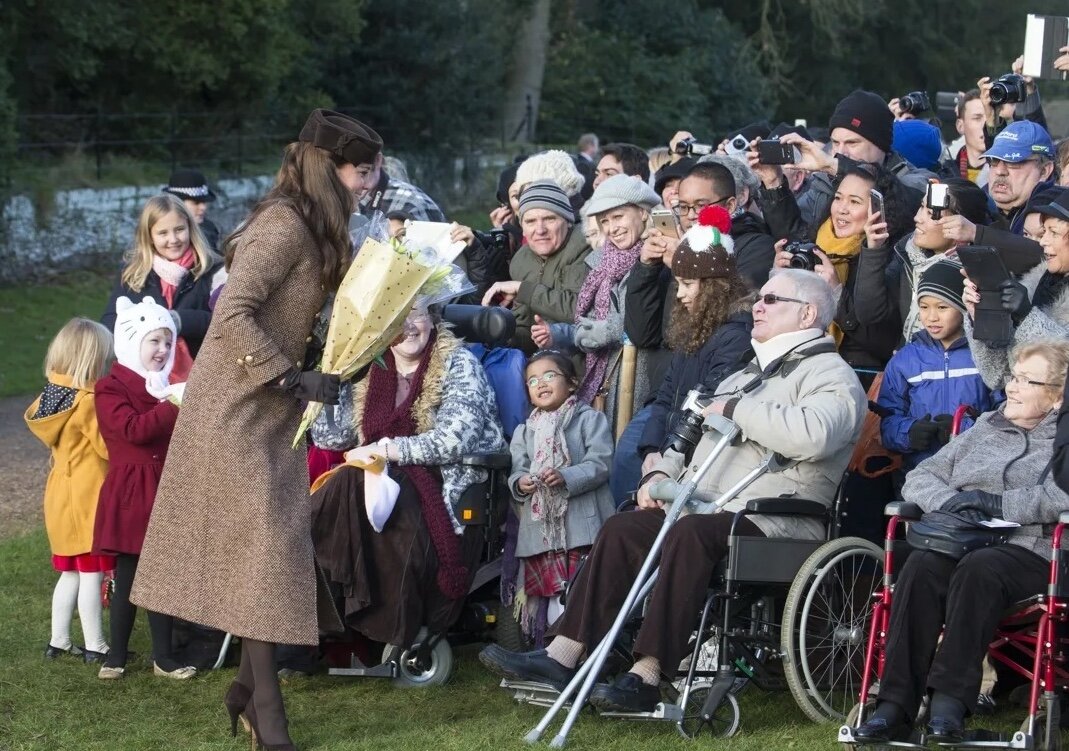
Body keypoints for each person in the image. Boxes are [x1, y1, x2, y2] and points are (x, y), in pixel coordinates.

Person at [480, 270, 867, 712]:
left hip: (776, 517)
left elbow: (813, 436)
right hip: (706, 508)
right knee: (625, 528)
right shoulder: (744, 375)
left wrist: (740, 408)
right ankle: (563, 654)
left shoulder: (833, 376)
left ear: (808, 313)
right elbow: (687, 442)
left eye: (771, 299)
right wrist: (655, 477)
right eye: (758, 297)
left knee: (690, 533)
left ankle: (647, 673)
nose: (757, 305)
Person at [130, 109, 382, 751]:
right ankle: (266, 708)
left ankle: (246, 692)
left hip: (271, 411)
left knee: (267, 550)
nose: (370, 182)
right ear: (330, 167)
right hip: (234, 410)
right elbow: (232, 314)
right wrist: (293, 379)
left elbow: (300, 315)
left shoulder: (317, 224)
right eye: (362, 169)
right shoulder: (282, 225)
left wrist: (339, 353)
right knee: (267, 548)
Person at [853, 341, 1069, 743]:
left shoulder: (1063, 442)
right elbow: (921, 476)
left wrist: (997, 503)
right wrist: (953, 503)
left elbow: (1063, 496)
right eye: (1014, 377)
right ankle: (894, 706)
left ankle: (948, 703)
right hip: (963, 539)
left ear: (1057, 398)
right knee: (920, 566)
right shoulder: (986, 425)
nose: (1012, 388)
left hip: (1031, 550)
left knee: (981, 568)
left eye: (1027, 380)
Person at [308, 304, 505, 649]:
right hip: (379, 479)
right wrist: (329, 385)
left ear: (433, 320)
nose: (409, 326)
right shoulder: (371, 365)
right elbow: (330, 439)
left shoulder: (459, 363)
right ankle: (319, 618)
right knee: (337, 493)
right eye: (396, 317)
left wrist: (384, 450)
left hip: (447, 484)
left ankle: (379, 628)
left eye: (417, 314)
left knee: (351, 487)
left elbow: (454, 439)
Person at [612, 208, 755, 506]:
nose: (679, 295)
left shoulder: (736, 337)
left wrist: (666, 462)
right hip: (669, 455)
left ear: (715, 288)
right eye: (678, 284)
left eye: (688, 284)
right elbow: (665, 398)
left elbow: (703, 409)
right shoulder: (694, 329)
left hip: (694, 464)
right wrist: (651, 449)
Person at [91, 297, 192, 680]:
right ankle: (116, 653)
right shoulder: (110, 388)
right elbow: (133, 430)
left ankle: (163, 656)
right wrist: (173, 405)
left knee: (162, 574)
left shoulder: (166, 385)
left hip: (164, 486)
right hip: (133, 491)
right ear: (133, 343)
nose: (163, 350)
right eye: (154, 341)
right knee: (128, 572)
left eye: (168, 342)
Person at [531, 174, 659, 422]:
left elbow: (648, 319)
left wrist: (609, 330)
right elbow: (583, 322)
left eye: (618, 216)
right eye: (605, 221)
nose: (612, 228)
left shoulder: (657, 254)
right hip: (605, 379)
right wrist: (583, 334)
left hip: (641, 377)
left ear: (643, 212)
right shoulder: (599, 262)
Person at [507, 350, 614, 644]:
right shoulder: (523, 431)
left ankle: (585, 651)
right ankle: (552, 650)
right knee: (551, 594)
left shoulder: (589, 420)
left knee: (581, 590)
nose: (540, 383)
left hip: (582, 528)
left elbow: (601, 463)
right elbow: (516, 471)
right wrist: (522, 482)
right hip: (541, 532)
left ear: (572, 383)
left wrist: (567, 476)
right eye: (532, 380)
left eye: (549, 375)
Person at [24, 318, 114, 663]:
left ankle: (58, 640)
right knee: (91, 572)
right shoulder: (87, 401)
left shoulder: (51, 396)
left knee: (70, 572)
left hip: (61, 493)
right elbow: (106, 447)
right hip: (88, 494)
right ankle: (97, 644)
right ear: (93, 360)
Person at [765, 163, 910, 373]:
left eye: (854, 202)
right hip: (797, 367)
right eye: (838, 198)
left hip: (855, 375)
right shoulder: (813, 244)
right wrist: (779, 276)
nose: (842, 209)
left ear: (878, 210)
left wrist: (836, 293)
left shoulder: (890, 257)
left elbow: (883, 343)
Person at [877, 262, 994, 473]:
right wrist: (909, 433)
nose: (931, 317)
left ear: (963, 307)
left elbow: (1004, 415)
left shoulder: (985, 354)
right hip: (918, 473)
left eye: (942, 307)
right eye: (924, 307)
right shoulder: (904, 361)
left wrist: (962, 429)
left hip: (976, 470)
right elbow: (888, 420)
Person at [101, 194, 222, 383]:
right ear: (149, 236)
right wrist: (146, 326)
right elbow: (110, 322)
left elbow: (227, 320)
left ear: (191, 228)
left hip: (203, 378)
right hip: (143, 381)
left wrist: (180, 320)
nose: (173, 239)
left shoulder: (214, 269)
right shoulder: (133, 273)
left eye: (180, 229)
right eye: (163, 233)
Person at [854, 178, 991, 341]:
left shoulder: (979, 271)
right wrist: (874, 250)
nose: (917, 218)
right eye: (921, 207)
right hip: (911, 359)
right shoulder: (908, 253)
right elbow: (869, 313)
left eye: (931, 213)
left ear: (961, 224)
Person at [964, 188, 1069, 390]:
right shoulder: (1035, 282)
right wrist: (982, 318)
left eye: (1053, 232)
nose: (1043, 241)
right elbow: (997, 377)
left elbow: (1062, 373)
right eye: (1043, 231)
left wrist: (1027, 316)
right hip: (1021, 409)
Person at [481, 180, 592, 354]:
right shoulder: (521, 260)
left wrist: (522, 289)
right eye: (531, 221)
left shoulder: (585, 245)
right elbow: (526, 328)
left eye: (549, 219)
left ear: (568, 221)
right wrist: (502, 333)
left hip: (583, 360)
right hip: (542, 365)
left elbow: (579, 309)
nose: (540, 230)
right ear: (522, 228)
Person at [935, 121, 1053, 272]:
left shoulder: (1055, 210)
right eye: (994, 161)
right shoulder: (980, 201)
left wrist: (976, 233)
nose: (1000, 171)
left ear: (1044, 171)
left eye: (1013, 161)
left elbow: (1043, 255)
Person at [359, 153, 446, 222]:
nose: (357, 182)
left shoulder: (414, 204)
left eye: (362, 172)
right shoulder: (354, 198)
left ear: (378, 160)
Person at [163, 168, 222, 251]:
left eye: (204, 202)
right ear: (176, 203)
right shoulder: (158, 227)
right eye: (196, 203)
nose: (203, 208)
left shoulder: (208, 229)